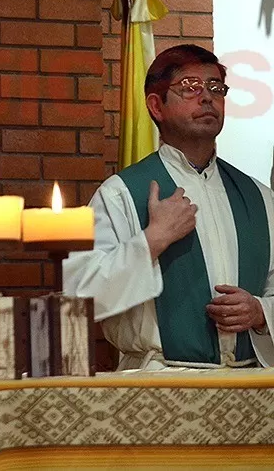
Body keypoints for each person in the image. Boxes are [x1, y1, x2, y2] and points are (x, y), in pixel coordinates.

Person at [65, 44, 274, 370]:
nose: (207, 97)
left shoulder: (259, 197)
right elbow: (80, 298)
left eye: (216, 88)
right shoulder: (120, 194)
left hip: (250, 385)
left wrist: (261, 312)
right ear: (156, 106)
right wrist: (153, 240)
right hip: (158, 382)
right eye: (190, 87)